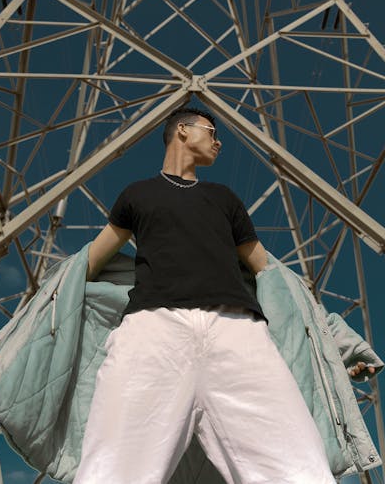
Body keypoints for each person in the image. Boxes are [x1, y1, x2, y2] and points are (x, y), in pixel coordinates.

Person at [72, 105, 349, 484]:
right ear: (183, 131)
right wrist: (15, 339)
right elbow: (82, 268)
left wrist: (336, 342)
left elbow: (273, 277)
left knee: (299, 469)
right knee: (114, 470)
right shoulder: (136, 195)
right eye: (212, 132)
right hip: (152, 332)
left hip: (238, 333)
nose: (219, 142)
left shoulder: (224, 198)